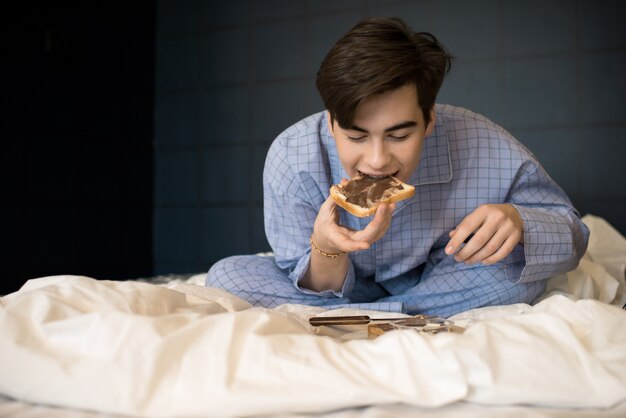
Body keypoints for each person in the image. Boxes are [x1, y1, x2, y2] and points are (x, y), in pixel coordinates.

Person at [206, 17, 589, 317]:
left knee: (515, 271)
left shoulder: (482, 141)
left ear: (429, 120)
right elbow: (311, 285)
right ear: (331, 122)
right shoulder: (292, 158)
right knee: (227, 276)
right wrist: (326, 249)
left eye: (399, 136)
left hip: (442, 280)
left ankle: (362, 318)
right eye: (356, 137)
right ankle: (401, 316)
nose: (377, 161)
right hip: (355, 291)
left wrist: (518, 221)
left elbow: (573, 235)